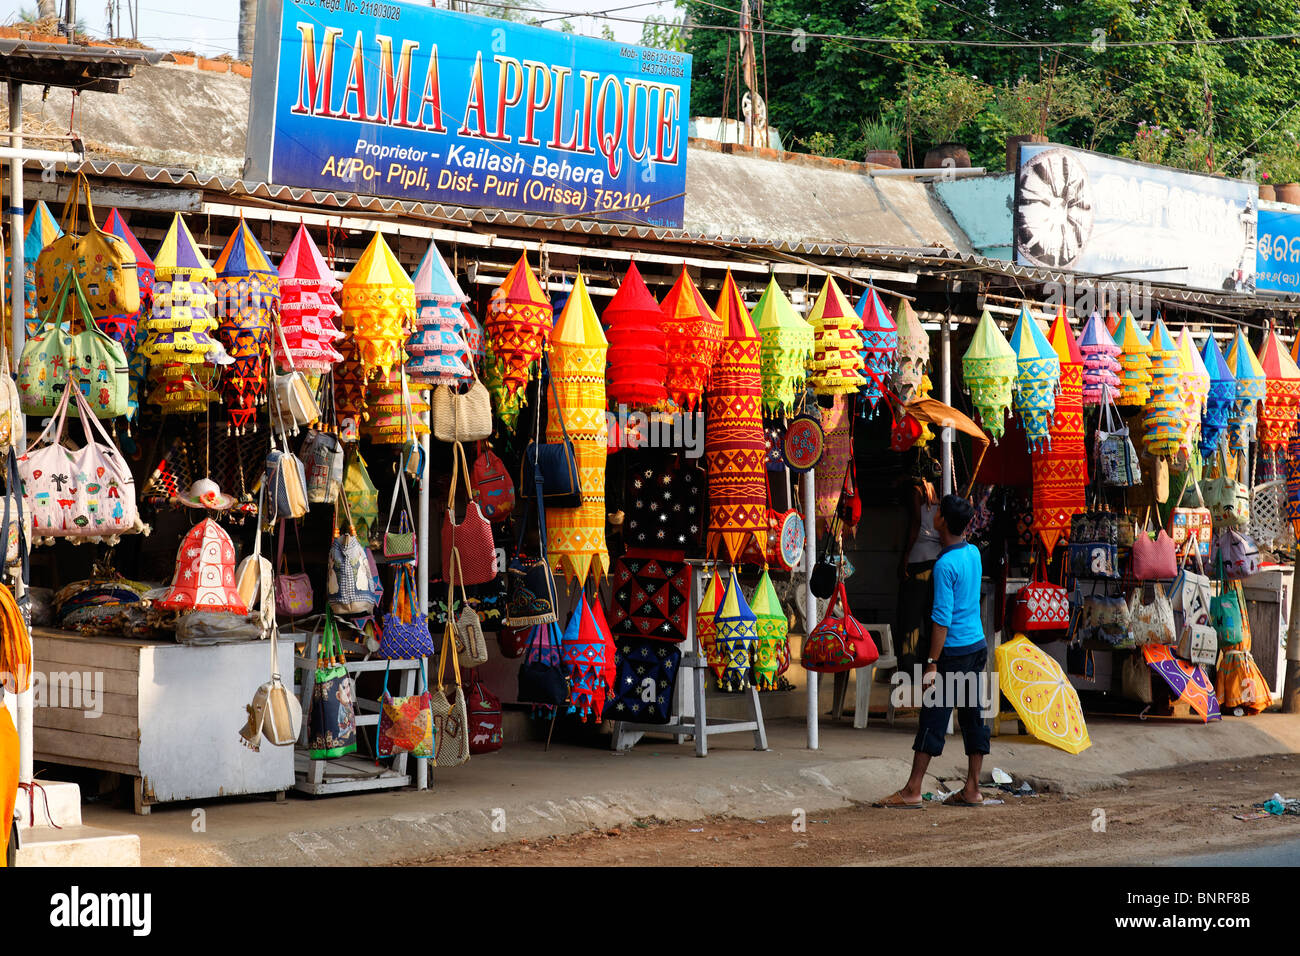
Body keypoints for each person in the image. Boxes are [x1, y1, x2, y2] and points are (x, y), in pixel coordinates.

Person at [878, 493, 990, 809]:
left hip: (952, 651)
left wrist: (931, 663)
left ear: (942, 521)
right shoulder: (973, 553)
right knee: (973, 717)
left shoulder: (944, 564)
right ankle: (972, 788)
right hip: (976, 646)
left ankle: (913, 789)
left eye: (938, 511)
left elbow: (941, 618)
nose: (934, 514)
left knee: (932, 719)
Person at [896, 461, 941, 672]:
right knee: (931, 618)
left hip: (917, 562)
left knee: (911, 619)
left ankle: (907, 669)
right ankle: (931, 667)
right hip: (936, 561)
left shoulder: (916, 492)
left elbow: (915, 525)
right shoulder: (940, 492)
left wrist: (904, 556)